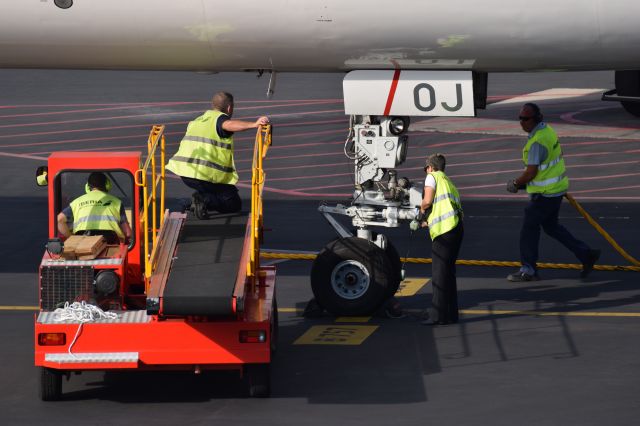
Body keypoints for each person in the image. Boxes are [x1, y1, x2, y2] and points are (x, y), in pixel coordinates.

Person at [506, 103, 600, 281]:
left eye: (525, 119)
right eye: (520, 118)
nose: (521, 122)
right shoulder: (547, 131)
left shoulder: (537, 143)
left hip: (545, 194)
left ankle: (528, 270)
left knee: (529, 228)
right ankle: (586, 254)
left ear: (536, 118)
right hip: (554, 190)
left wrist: (515, 183)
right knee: (551, 227)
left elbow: (531, 172)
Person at [166, 91, 270, 219]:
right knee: (233, 204)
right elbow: (228, 125)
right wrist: (254, 124)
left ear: (213, 105)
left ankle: (195, 202)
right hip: (206, 175)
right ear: (229, 107)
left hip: (185, 172)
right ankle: (203, 200)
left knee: (215, 192)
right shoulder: (220, 120)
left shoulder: (199, 120)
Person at [410, 153, 464, 325]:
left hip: (445, 232)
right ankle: (450, 315)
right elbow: (443, 209)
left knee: (439, 274)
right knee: (449, 274)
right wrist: (428, 222)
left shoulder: (432, 177)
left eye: (426, 169)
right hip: (455, 229)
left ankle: (437, 316)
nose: (426, 172)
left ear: (431, 167)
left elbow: (427, 201)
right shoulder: (448, 181)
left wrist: (419, 215)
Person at [57, 172, 132, 244]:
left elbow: (59, 220)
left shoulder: (76, 202)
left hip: (83, 245)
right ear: (107, 185)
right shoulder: (117, 202)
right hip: (111, 244)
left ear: (87, 187)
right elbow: (127, 233)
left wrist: (72, 238)